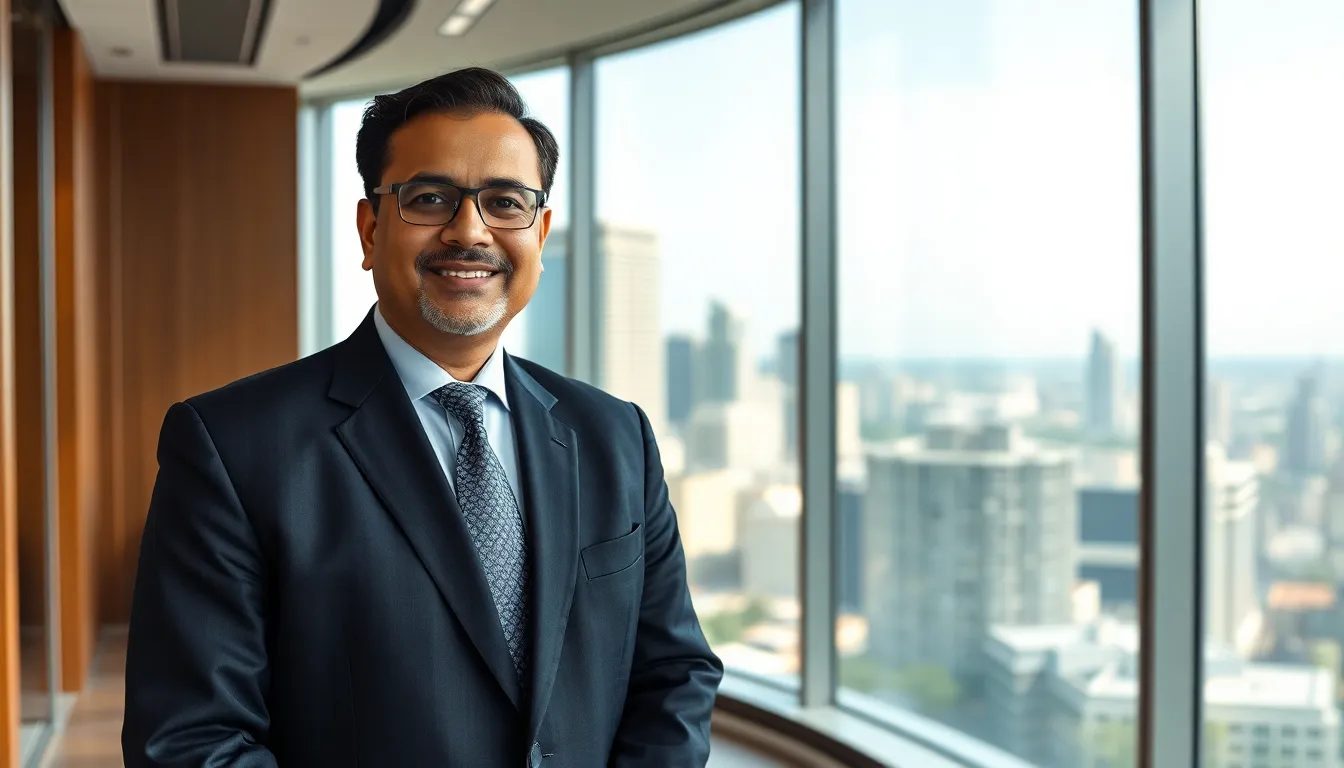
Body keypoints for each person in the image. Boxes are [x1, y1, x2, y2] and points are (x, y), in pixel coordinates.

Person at [121, 67, 723, 767]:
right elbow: (192, 740)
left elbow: (675, 675)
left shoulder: (616, 436)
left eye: (504, 202)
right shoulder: (232, 447)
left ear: (541, 233)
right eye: (430, 198)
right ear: (371, 228)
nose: (469, 232)